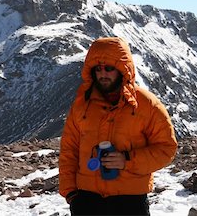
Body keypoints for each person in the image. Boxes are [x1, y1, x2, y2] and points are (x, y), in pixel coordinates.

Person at [59, 36, 178, 215]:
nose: (103, 74)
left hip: (129, 201)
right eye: (98, 69)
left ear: (123, 69)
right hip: (87, 200)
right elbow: (69, 150)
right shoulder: (82, 105)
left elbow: (166, 149)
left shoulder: (147, 105)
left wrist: (127, 160)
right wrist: (71, 194)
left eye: (109, 68)